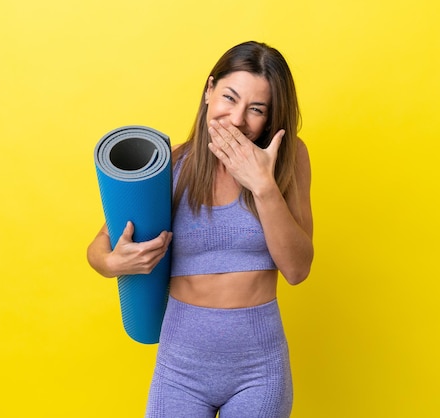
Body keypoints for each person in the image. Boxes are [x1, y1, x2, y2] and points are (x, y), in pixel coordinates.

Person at [87, 40, 313, 418]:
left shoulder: (287, 160)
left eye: (256, 109)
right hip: (180, 369)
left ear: (270, 120)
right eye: (229, 97)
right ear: (209, 91)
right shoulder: (173, 165)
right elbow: (98, 248)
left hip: (258, 370)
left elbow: (297, 269)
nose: (237, 119)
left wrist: (262, 185)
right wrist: (114, 263)